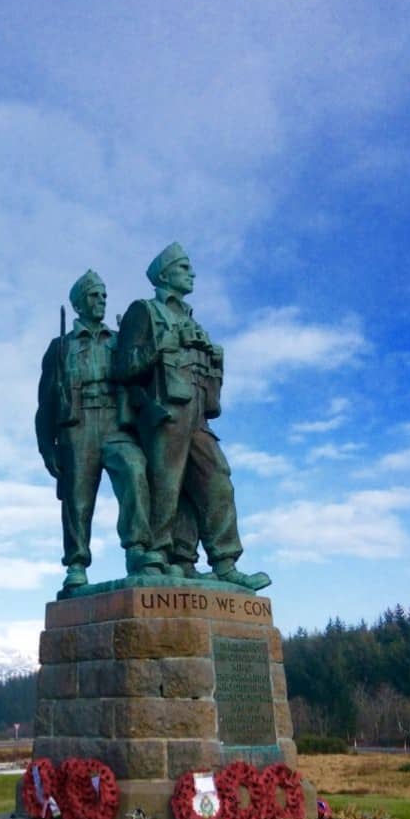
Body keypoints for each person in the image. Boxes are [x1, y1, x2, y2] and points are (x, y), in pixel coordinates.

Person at [116, 244, 270, 590]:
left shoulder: (192, 319)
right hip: (166, 410)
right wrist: (164, 343)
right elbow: (123, 366)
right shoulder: (144, 311)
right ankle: (157, 556)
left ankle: (223, 562)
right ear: (164, 274)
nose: (192, 273)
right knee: (166, 484)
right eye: (184, 267)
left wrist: (216, 358)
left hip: (198, 414)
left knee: (216, 479)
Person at [35, 270, 164, 593]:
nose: (101, 301)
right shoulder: (60, 347)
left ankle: (137, 550)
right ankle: (76, 565)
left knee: (134, 470)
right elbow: (46, 401)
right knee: (78, 498)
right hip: (76, 427)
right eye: (94, 296)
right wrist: (46, 447)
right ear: (79, 303)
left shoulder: (119, 340)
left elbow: (140, 375)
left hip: (114, 422)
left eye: (104, 295)